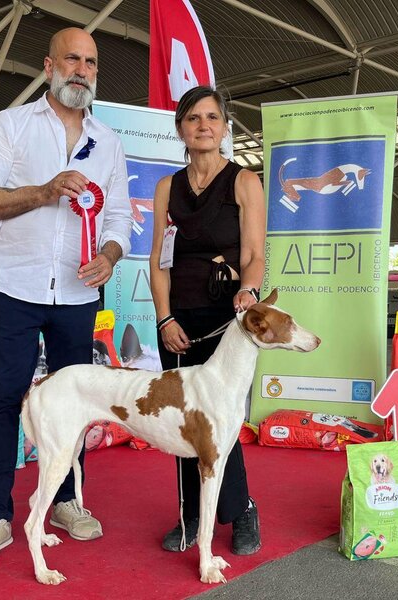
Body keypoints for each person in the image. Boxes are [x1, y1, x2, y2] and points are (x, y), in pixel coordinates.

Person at [0, 28, 131, 567]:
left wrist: (110, 256)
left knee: (74, 404)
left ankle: (65, 502)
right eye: (72, 59)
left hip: (79, 294)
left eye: (91, 62)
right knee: (3, 400)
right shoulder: (10, 125)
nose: (82, 69)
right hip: (14, 286)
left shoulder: (109, 142)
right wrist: (43, 191)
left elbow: (119, 217)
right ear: (49, 66)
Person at [149, 86, 265, 556]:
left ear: (225, 127)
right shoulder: (167, 188)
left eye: (213, 117)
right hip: (178, 321)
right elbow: (158, 262)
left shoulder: (244, 181)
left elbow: (254, 255)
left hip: (228, 320)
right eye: (194, 118)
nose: (204, 126)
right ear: (181, 128)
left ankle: (240, 510)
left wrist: (248, 291)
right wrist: (164, 318)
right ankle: (190, 515)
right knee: (183, 422)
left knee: (220, 422)